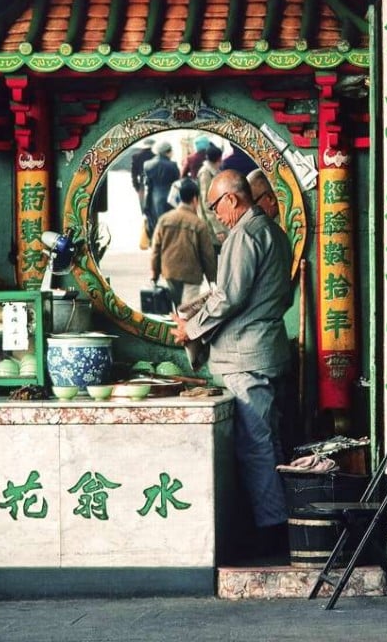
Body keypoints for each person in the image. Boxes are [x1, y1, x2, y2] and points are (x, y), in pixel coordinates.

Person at [169, 169, 293, 556]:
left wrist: (191, 329)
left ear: (232, 199)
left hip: (245, 357)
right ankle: (277, 526)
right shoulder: (274, 233)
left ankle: (272, 533)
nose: (214, 215)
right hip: (264, 351)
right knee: (268, 443)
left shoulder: (246, 234)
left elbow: (229, 298)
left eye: (215, 206)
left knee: (257, 446)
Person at [150, 177, 217, 308]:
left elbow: (155, 250)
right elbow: (207, 256)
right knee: (187, 313)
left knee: (173, 312)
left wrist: (154, 274)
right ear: (195, 199)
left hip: (169, 273)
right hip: (191, 276)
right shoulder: (199, 224)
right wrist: (212, 280)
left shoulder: (164, 219)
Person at [143, 139, 180, 236]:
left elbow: (147, 182)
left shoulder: (147, 164)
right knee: (170, 225)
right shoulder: (172, 165)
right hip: (170, 196)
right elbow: (177, 181)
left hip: (153, 197)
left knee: (156, 223)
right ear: (167, 151)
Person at [197, 143, 229, 244]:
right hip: (211, 223)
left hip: (218, 218)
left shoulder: (215, 170)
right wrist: (218, 229)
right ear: (219, 158)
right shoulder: (206, 173)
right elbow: (206, 202)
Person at [130, 138, 156, 211]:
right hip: (153, 184)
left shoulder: (136, 156)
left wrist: (136, 186)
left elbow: (133, 175)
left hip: (142, 184)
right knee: (153, 207)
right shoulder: (155, 156)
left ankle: (145, 218)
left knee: (143, 206)